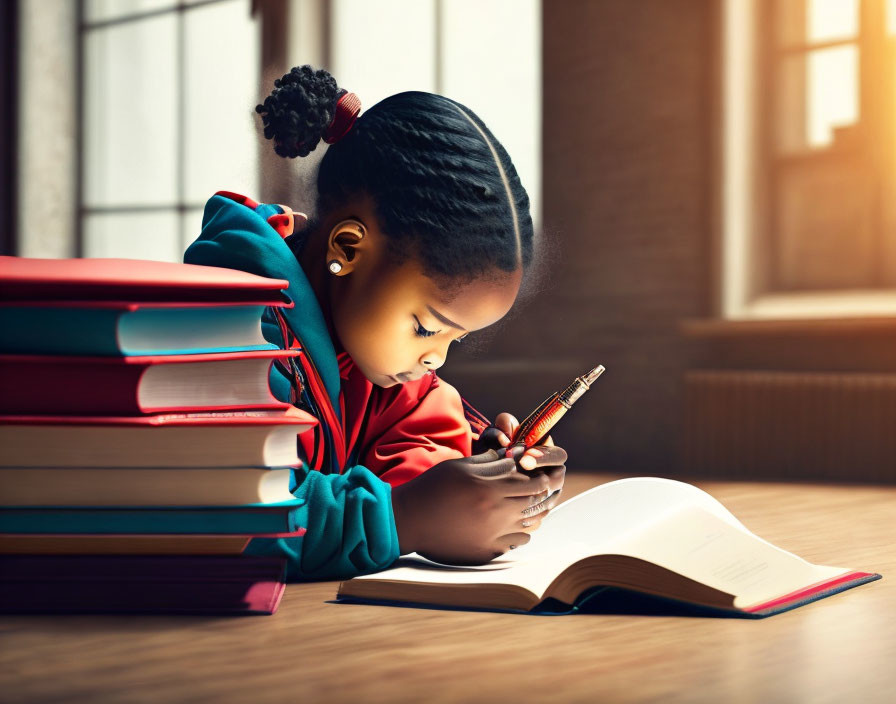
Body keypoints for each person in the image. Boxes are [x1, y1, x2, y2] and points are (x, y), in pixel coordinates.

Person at [185, 65, 567, 580]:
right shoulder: (234, 318)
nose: (436, 359)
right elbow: (227, 511)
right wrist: (403, 517)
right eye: (428, 327)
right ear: (348, 248)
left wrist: (482, 470)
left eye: (456, 338)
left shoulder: (375, 353)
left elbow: (416, 440)